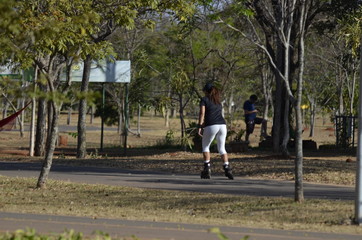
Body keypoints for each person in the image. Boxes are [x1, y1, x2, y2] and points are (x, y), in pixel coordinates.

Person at [197, 83, 233, 180]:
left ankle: (207, 168)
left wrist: (200, 125)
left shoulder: (204, 100)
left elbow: (202, 113)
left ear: (206, 91)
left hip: (211, 125)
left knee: (205, 146)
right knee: (222, 148)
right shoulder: (218, 101)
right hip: (222, 125)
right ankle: (227, 168)